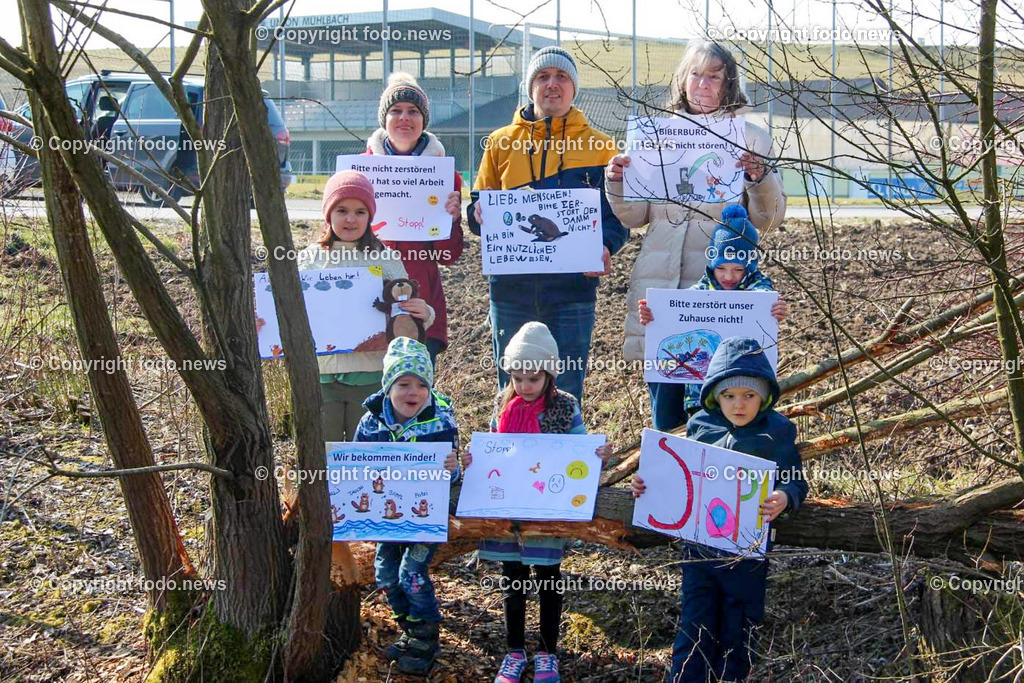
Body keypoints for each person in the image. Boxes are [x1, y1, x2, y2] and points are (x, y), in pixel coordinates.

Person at [604, 41, 787, 429]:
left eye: (714, 76)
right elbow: (635, 215)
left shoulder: (751, 138)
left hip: (723, 298)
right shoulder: (655, 134)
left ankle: (715, 484)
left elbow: (768, 220)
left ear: (728, 83)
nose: (703, 84)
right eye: (696, 74)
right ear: (683, 80)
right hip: (662, 293)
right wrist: (617, 182)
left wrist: (759, 177)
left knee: (721, 409)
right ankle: (669, 484)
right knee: (666, 412)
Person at [631, 336, 808, 683]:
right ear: (715, 395)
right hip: (697, 551)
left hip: (747, 553)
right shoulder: (701, 425)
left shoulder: (777, 431)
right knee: (695, 624)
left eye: (748, 396)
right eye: (729, 396)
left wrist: (785, 497)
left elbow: (796, 481)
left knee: (738, 628)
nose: (738, 405)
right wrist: (645, 483)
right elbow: (677, 476)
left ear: (764, 397)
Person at [468, 46, 629, 405]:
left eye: (561, 77)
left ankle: (563, 456)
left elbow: (618, 216)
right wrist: (478, 212)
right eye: (543, 76)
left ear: (574, 88)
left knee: (567, 390)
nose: (552, 84)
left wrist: (605, 245)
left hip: (572, 291)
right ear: (530, 87)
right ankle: (510, 457)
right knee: (512, 389)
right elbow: (478, 209)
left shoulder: (601, 147)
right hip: (511, 290)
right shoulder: (499, 143)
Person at [462, 322, 611, 683]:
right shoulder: (503, 405)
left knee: (548, 579)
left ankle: (547, 651)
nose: (525, 386)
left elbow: (579, 450)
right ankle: (514, 651)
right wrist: (472, 460)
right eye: (518, 378)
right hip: (509, 513)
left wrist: (598, 456)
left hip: (547, 514)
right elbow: (493, 453)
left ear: (549, 375)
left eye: (533, 379)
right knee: (512, 578)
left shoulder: (565, 407)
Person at [297, 170, 434, 441]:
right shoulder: (307, 260)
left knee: (368, 452)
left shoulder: (386, 258)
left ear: (370, 217)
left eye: (360, 211)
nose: (351, 219)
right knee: (323, 451)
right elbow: (289, 313)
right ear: (328, 214)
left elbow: (402, 310)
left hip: (370, 375)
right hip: (321, 377)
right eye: (342, 210)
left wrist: (424, 314)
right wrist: (264, 324)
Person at [354, 337, 460, 675]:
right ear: (388, 387)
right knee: (386, 575)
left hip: (427, 516)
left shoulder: (440, 421)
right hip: (387, 517)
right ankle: (409, 630)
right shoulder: (371, 422)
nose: (412, 391)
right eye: (403, 384)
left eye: (420, 384)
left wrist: (452, 468)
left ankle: (427, 637)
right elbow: (357, 463)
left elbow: (454, 472)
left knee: (411, 573)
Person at [638, 204, 788, 428]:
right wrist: (655, 315)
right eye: (721, 268)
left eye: (738, 269)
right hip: (698, 390)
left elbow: (763, 300)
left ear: (750, 266)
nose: (728, 276)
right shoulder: (702, 288)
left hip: (736, 388)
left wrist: (776, 310)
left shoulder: (759, 287)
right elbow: (677, 314)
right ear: (712, 264)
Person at [366, 72, 465, 367]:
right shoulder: (359, 174)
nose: (404, 118)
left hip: (422, 302)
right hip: (370, 303)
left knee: (415, 395)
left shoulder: (446, 176)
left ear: (424, 120)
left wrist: (452, 219)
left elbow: (449, 256)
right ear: (384, 119)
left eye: (413, 111)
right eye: (396, 111)